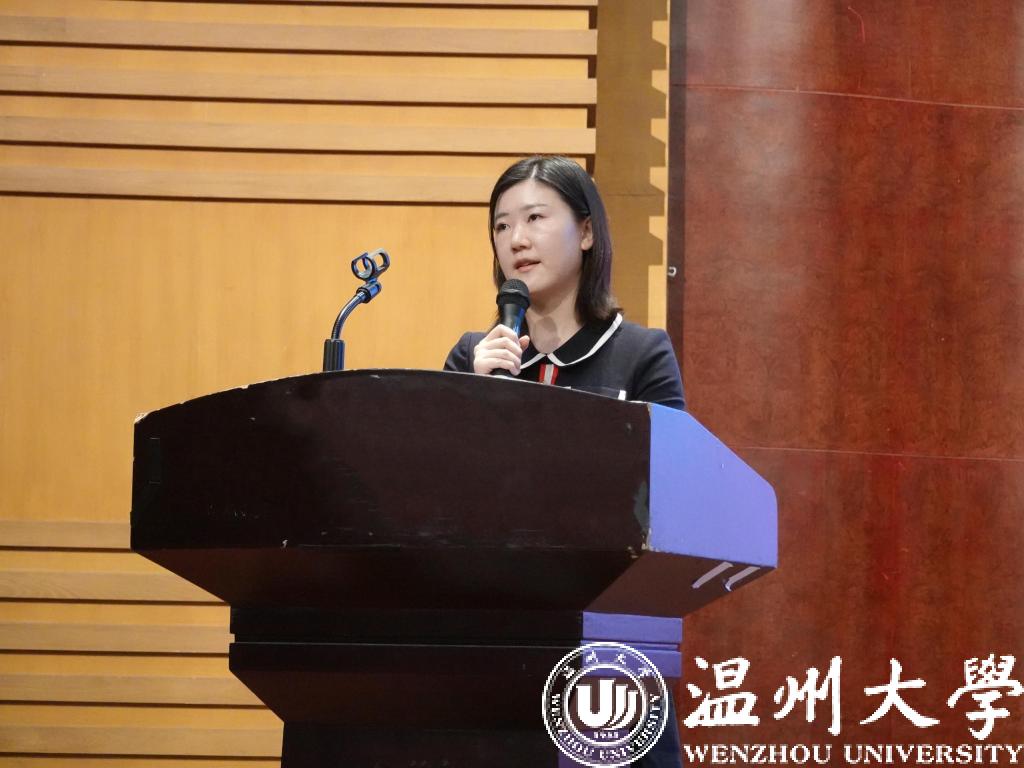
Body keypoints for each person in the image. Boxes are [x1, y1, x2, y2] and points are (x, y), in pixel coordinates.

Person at [443, 155, 685, 411]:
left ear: (586, 232)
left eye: (534, 217)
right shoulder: (470, 357)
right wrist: (473, 393)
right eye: (502, 226)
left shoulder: (642, 355)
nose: (516, 240)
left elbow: (667, 438)